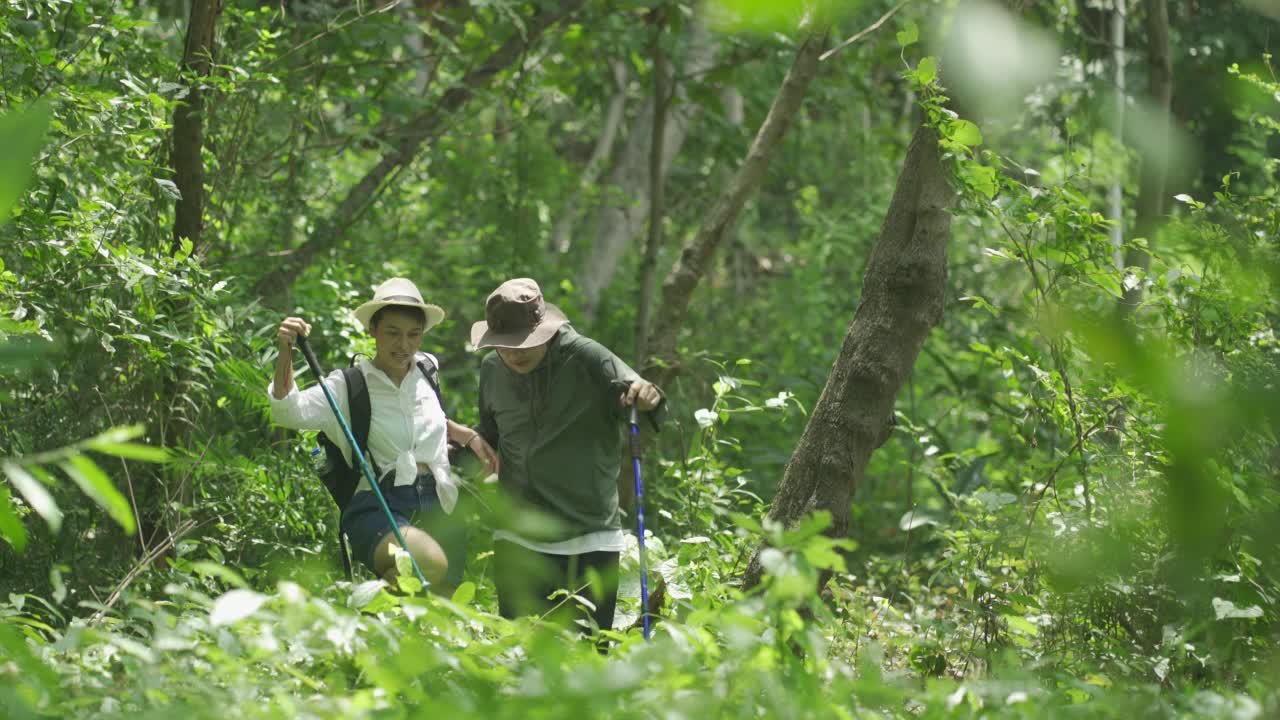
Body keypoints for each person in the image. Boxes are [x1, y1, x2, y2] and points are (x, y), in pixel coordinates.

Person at [269, 277, 499, 591]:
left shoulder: (427, 370)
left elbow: (422, 419)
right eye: (392, 332)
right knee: (429, 563)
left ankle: (374, 627)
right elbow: (287, 410)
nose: (403, 345)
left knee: (445, 609)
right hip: (379, 504)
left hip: (440, 501)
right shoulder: (347, 386)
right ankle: (365, 614)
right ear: (372, 330)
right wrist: (286, 351)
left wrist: (464, 434)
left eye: (413, 334)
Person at [469, 278, 664, 633]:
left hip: (588, 536)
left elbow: (642, 401)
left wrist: (647, 396)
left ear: (544, 330)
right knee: (517, 659)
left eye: (523, 343)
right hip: (518, 536)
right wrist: (468, 444)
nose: (514, 353)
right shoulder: (492, 370)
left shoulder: (590, 358)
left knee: (587, 662)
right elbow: (491, 431)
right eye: (503, 345)